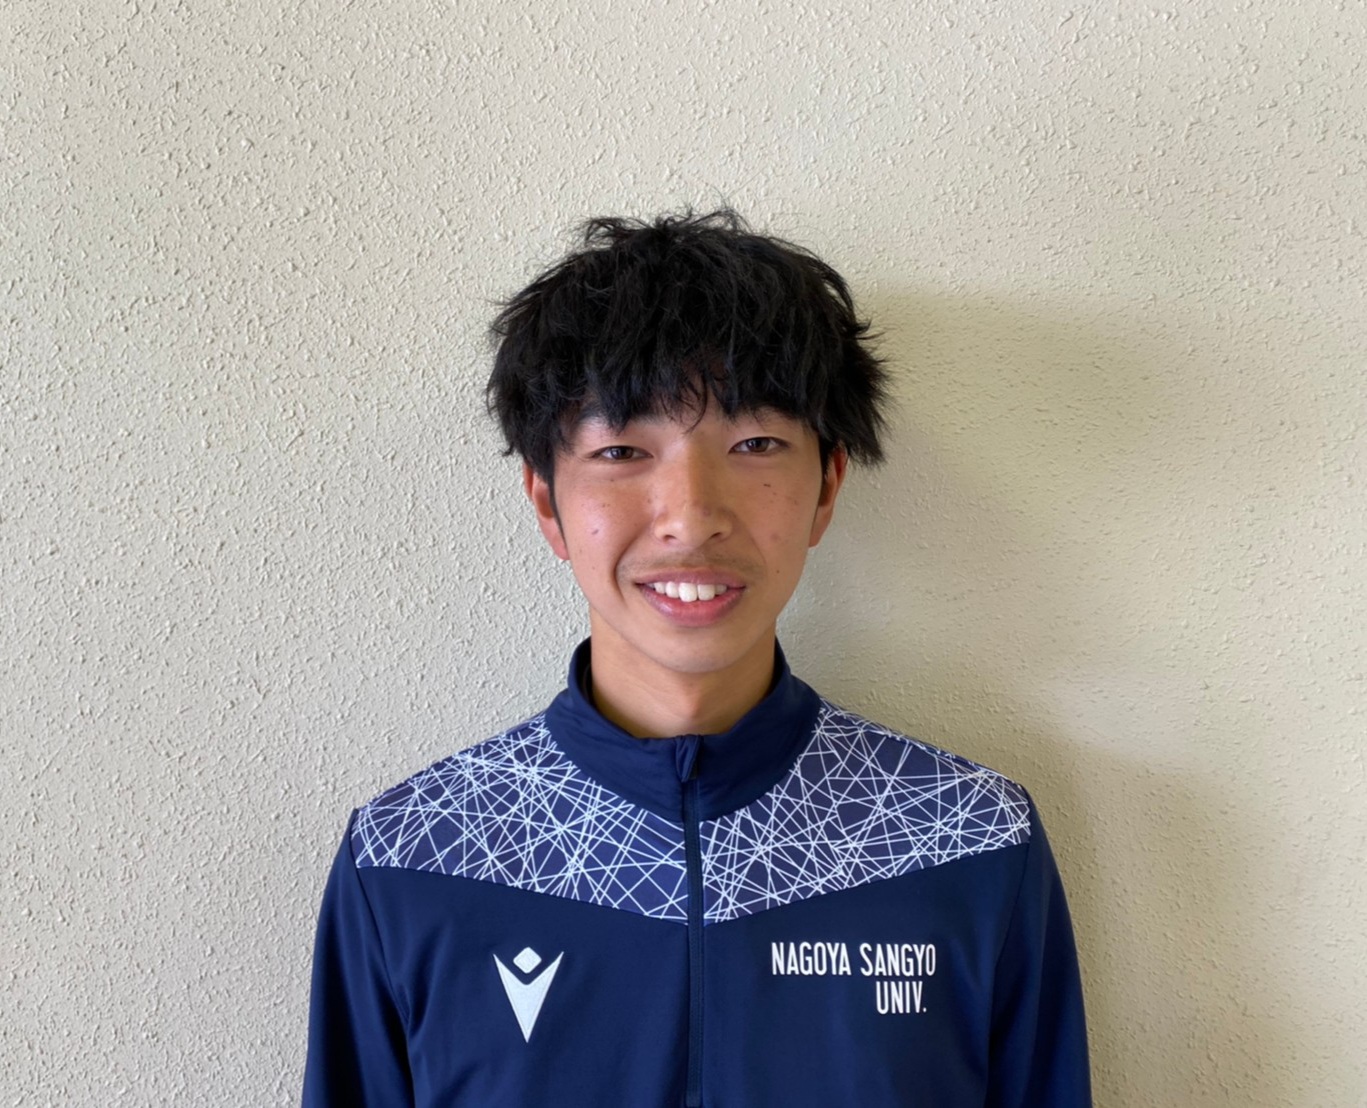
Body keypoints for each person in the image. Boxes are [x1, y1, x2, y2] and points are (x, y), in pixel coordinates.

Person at [302, 210, 1091, 1107]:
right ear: (547, 503)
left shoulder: (969, 842)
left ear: (826, 486)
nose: (689, 516)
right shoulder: (412, 858)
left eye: (754, 444)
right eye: (621, 450)